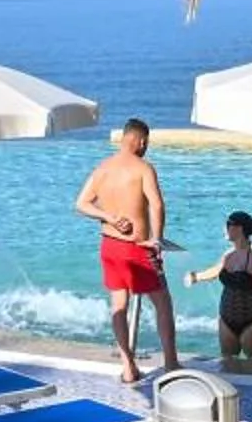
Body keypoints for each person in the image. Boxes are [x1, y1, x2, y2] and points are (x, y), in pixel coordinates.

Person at [76, 117, 177, 383]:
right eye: (147, 143)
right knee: (163, 303)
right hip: (138, 247)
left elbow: (82, 203)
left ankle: (128, 366)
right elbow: (156, 205)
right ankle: (171, 363)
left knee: (119, 304)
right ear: (141, 141)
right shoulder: (143, 168)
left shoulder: (103, 168)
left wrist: (109, 217)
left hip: (110, 245)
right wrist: (158, 239)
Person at [185, 211, 252, 370]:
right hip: (226, 319)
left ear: (239, 228)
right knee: (227, 365)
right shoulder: (228, 255)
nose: (224, 229)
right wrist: (195, 277)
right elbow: (216, 271)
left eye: (228, 225)